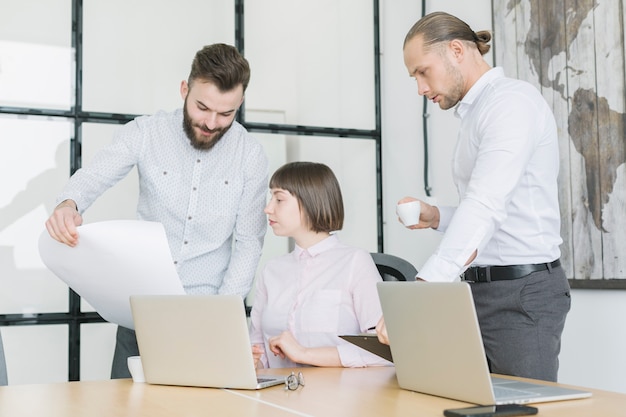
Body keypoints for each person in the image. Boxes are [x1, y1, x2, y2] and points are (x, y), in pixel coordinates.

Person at [45, 43, 269, 378]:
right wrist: (69, 203)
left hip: (205, 319)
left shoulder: (250, 155)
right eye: (202, 107)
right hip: (142, 315)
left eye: (226, 114)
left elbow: (249, 243)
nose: (210, 122)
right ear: (184, 89)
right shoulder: (146, 132)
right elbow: (96, 173)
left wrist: (221, 318)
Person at [376, 12, 570, 382]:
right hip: (477, 292)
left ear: (456, 50)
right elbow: (493, 215)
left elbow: (484, 206)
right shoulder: (476, 113)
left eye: (422, 72)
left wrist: (421, 294)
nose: (419, 88)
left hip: (520, 296)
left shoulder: (511, 104)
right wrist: (436, 216)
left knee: (522, 409)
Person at [249, 161, 390, 369]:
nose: (268, 208)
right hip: (277, 395)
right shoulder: (271, 270)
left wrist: (304, 354)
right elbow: (257, 347)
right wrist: (254, 362)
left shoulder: (354, 262)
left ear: (309, 202)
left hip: (338, 396)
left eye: (279, 199)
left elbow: (383, 351)